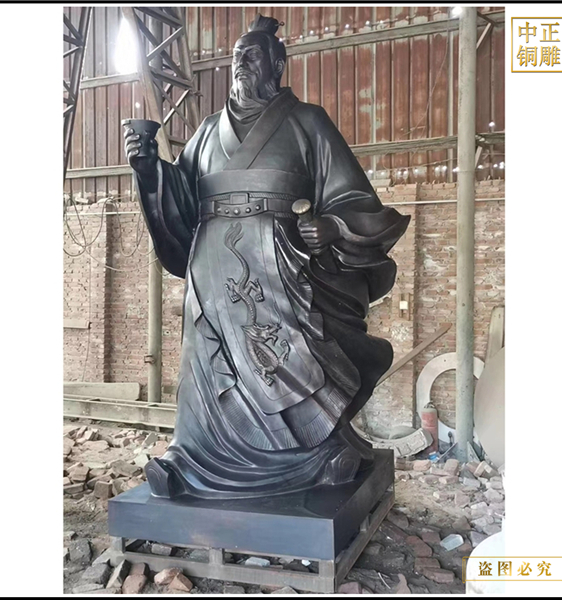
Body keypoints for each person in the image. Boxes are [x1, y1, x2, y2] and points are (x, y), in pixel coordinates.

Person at [124, 14, 410, 500]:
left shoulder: (307, 122)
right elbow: (183, 198)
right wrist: (150, 168)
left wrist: (331, 226)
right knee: (204, 358)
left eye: (252, 54)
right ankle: (189, 458)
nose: (241, 63)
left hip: (278, 260)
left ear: (276, 64)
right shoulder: (208, 131)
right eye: (237, 56)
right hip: (211, 262)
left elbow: (352, 196)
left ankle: (318, 453)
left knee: (286, 356)